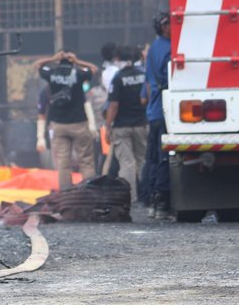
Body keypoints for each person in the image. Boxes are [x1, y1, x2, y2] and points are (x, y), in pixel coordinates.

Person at [35, 50, 98, 190]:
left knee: (63, 162)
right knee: (85, 160)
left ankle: (66, 191)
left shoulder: (51, 74)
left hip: (59, 125)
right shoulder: (79, 74)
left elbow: (37, 65)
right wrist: (77, 61)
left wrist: (52, 58)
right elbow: (94, 69)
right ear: (71, 60)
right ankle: (89, 191)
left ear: (59, 60)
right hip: (79, 123)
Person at [104, 45, 148, 203]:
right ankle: (146, 196)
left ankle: (130, 197)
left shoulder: (118, 77)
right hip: (142, 123)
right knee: (143, 160)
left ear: (118, 59)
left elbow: (113, 105)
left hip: (122, 125)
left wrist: (108, 126)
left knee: (127, 163)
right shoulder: (143, 75)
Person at [144, 12, 172, 219]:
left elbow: (146, 85)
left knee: (155, 158)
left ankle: (153, 201)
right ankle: (161, 202)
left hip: (155, 110)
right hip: (165, 110)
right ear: (163, 27)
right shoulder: (168, 48)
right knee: (163, 158)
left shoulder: (154, 47)